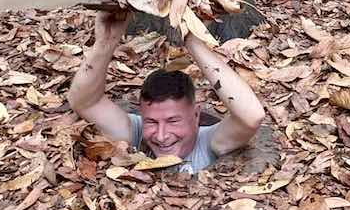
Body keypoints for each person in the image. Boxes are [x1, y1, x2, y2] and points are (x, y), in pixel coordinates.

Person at [68, 10, 266, 174]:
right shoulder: (135, 134)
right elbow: (86, 102)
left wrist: (192, 41)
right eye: (151, 122)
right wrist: (105, 42)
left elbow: (252, 117)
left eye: (173, 121)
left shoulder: (210, 142)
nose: (161, 136)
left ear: (196, 114)